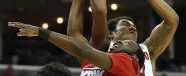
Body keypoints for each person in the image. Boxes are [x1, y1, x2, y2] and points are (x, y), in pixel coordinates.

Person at [8, 22, 144, 76]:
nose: (120, 41)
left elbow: (82, 50)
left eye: (127, 43)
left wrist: (41, 32)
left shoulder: (128, 62)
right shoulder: (97, 65)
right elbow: (73, 33)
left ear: (136, 58)